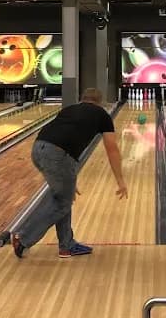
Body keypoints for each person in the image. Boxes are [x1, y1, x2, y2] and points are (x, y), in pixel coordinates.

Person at [11, 88, 127, 259]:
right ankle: (23, 237)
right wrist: (121, 181)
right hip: (58, 155)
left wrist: (68, 179)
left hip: (38, 148)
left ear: (82, 99)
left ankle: (66, 246)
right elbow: (112, 149)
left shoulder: (69, 109)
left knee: (62, 198)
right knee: (62, 204)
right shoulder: (102, 115)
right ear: (99, 102)